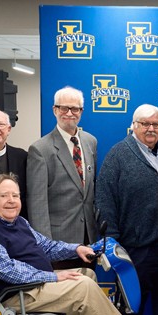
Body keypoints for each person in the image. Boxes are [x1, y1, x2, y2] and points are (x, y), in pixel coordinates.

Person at [0, 174, 149, 315]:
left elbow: (47, 247)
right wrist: (52, 277)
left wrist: (77, 249)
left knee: (87, 274)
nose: (11, 201)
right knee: (82, 286)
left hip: (34, 285)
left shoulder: (19, 222)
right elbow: (8, 270)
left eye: (15, 196)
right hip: (16, 295)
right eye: (4, 196)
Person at [95, 104, 158, 315]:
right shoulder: (118, 154)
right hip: (134, 245)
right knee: (134, 302)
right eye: (145, 124)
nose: (151, 129)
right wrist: (113, 240)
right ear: (134, 125)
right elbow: (105, 198)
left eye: (155, 124)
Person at [27, 86, 97, 246]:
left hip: (88, 238)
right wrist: (46, 245)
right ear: (54, 110)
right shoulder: (40, 149)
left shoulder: (90, 142)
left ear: (81, 111)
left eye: (75, 109)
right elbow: (37, 202)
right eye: (64, 108)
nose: (69, 113)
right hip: (58, 241)